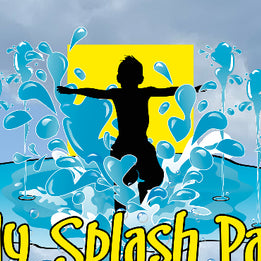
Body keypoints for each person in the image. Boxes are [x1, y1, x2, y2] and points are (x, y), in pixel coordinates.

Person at [56, 55, 177, 205]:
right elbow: (169, 91)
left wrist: (72, 91)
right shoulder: (138, 93)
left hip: (129, 145)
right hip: (134, 145)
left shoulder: (122, 93)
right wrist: (191, 90)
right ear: (141, 79)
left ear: (119, 78)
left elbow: (94, 92)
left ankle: (128, 202)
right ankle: (137, 193)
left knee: (131, 181)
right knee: (146, 178)